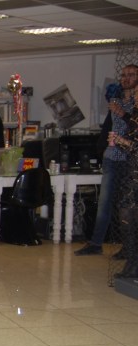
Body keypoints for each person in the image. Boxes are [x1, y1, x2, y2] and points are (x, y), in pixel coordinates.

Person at [75, 64, 137, 256]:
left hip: (130, 159)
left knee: (126, 206)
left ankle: (128, 248)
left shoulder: (135, 103)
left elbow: (134, 127)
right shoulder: (115, 100)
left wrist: (123, 114)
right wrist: (102, 149)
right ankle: (96, 244)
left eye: (131, 74)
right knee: (104, 203)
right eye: (124, 75)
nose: (126, 78)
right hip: (111, 157)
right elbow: (108, 127)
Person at [108, 109, 138, 278]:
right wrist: (118, 142)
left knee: (129, 216)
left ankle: (133, 264)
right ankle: (132, 262)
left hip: (134, 178)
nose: (135, 97)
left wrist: (123, 142)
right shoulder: (134, 116)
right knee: (126, 218)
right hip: (131, 176)